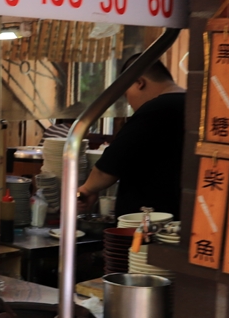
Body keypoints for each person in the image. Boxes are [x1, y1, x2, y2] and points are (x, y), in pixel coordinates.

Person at [77, 55, 185, 219]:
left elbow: (109, 166)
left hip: (147, 224)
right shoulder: (194, 103)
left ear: (139, 83)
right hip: (181, 220)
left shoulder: (155, 109)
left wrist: (87, 189)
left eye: (127, 95)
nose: (129, 104)